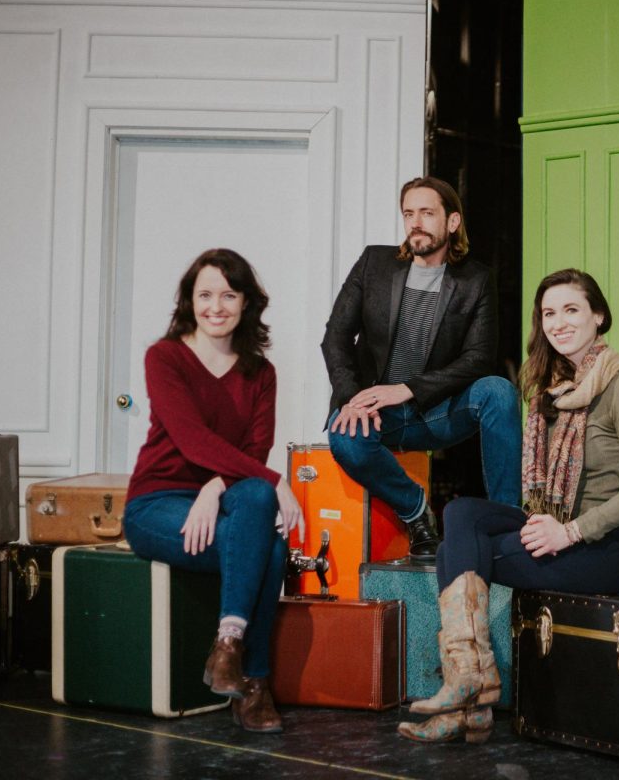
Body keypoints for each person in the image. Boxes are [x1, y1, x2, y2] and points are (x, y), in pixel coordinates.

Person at [397, 268, 619, 744]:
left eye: (571, 309)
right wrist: (552, 527)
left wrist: (571, 532)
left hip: (598, 550)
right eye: (548, 313)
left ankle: (468, 691)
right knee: (460, 515)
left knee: (454, 552)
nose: (558, 322)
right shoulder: (549, 391)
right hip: (550, 525)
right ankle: (469, 689)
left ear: (599, 316)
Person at [124, 248, 305, 733]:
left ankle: (227, 646)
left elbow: (255, 447)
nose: (216, 306)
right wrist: (273, 479)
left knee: (256, 501)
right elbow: (191, 440)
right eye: (205, 294)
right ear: (189, 300)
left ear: (246, 303)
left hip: (220, 505)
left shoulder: (260, 372)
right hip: (156, 504)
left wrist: (215, 489)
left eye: (228, 294)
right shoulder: (164, 357)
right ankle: (254, 683)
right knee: (268, 547)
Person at [321, 177, 520, 562]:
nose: (416, 222)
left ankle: (505, 526)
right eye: (409, 214)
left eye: (427, 213)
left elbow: (479, 358)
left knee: (498, 390)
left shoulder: (475, 280)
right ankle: (416, 513)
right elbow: (336, 338)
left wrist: (408, 388)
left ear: (452, 222)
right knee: (343, 436)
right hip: (381, 414)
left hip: (437, 412)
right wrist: (349, 399)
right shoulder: (373, 263)